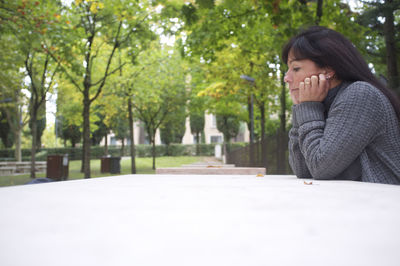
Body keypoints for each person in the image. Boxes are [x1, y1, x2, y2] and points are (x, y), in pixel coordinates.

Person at [282, 26, 400, 185]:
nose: (286, 78)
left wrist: (308, 107)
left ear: (328, 70)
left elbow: (320, 167)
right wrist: (302, 109)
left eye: (295, 68)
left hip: (385, 204)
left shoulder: (360, 95)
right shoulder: (323, 103)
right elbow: (303, 170)